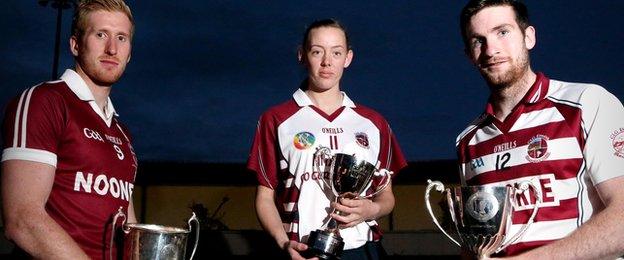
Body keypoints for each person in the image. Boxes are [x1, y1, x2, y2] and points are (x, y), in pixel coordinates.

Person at [455, 0, 624, 258]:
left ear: (529, 37)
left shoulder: (587, 103)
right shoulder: (469, 140)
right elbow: (477, 239)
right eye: (478, 40)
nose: (491, 50)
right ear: (469, 55)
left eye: (502, 32)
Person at [248, 19, 407, 260]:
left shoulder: (374, 122)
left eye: (336, 52)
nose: (327, 62)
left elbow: (386, 196)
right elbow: (264, 197)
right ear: (302, 55)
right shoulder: (276, 119)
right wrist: (283, 243)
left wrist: (371, 209)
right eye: (317, 51)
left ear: (348, 58)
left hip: (362, 250)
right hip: (303, 251)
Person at [1, 0, 137, 259]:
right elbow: (22, 220)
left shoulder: (122, 135)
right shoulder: (44, 102)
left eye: (122, 37)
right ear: (75, 44)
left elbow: (128, 226)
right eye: (100, 35)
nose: (112, 48)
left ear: (129, 53)